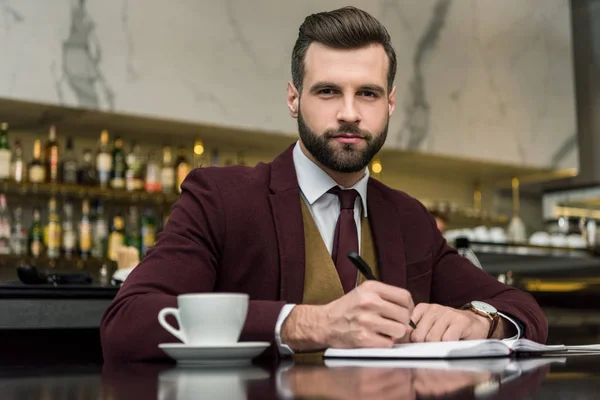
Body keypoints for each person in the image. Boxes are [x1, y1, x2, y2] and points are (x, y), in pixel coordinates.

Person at [100, 6, 547, 363]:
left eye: (368, 94)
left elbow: (520, 308)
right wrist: (306, 324)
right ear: (294, 99)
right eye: (328, 91)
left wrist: (482, 321)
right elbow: (127, 322)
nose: (349, 113)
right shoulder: (221, 199)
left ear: (390, 104)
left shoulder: (408, 217)